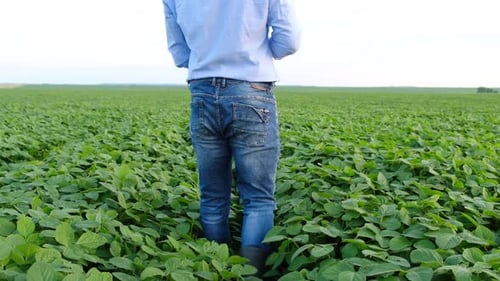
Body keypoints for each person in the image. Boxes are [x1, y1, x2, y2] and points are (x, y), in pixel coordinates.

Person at [162, 0, 300, 276]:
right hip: (251, 88)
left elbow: (179, 51)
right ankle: (250, 274)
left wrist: (208, 60)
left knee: (213, 195)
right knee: (258, 198)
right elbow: (289, 41)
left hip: (201, 89)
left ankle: (216, 269)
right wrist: (254, 54)